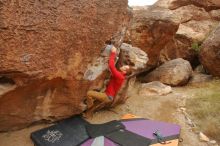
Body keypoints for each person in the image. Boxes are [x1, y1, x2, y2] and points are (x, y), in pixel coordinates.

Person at [84, 45, 131, 117]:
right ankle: (88, 115)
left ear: (125, 71)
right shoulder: (121, 75)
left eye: (125, 67)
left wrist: (113, 53)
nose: (123, 66)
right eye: (125, 65)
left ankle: (90, 105)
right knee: (95, 105)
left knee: (89, 93)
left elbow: (111, 66)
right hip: (108, 96)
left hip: (106, 96)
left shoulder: (120, 76)